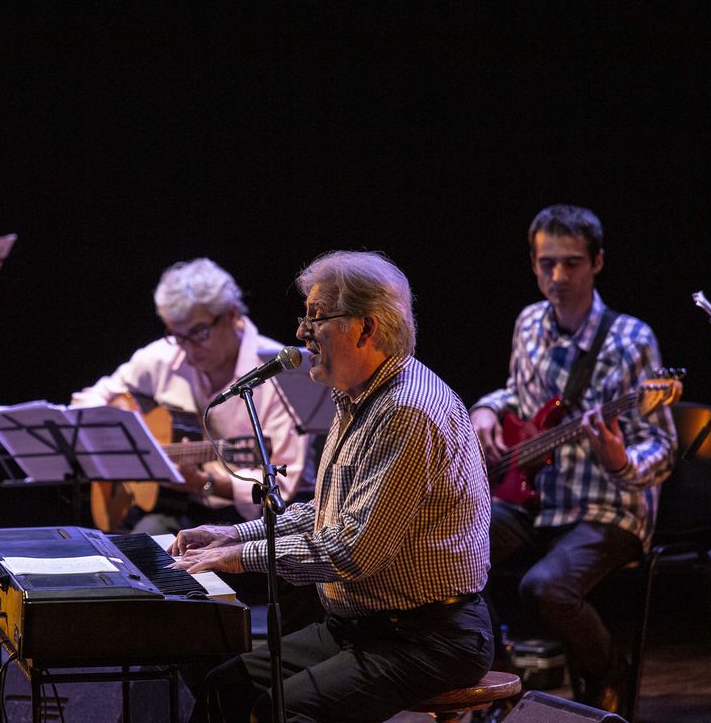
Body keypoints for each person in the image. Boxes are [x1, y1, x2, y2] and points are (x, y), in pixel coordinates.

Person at [172, 250, 493, 723]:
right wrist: (230, 535)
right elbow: (326, 513)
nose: (302, 332)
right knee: (227, 687)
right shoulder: (358, 396)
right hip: (364, 628)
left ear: (365, 328)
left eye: (316, 317)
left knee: (277, 711)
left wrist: (238, 557)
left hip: (430, 638)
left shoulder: (406, 412)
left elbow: (351, 552)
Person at [470, 204, 676, 713]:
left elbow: (662, 444)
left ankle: (609, 674)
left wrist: (622, 460)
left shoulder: (631, 340)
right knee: (453, 553)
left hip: (607, 506)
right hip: (538, 499)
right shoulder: (528, 323)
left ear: (597, 262)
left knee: (544, 588)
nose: (558, 276)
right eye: (547, 264)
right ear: (534, 263)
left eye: (572, 263)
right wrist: (488, 408)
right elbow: (519, 395)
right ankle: (504, 682)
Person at [72, 257, 311, 533]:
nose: (187, 348)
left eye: (199, 332)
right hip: (180, 510)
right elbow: (85, 402)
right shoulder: (164, 356)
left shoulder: (279, 373)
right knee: (138, 539)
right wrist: (126, 426)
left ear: (231, 315)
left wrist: (204, 483)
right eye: (177, 335)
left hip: (259, 520)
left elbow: (285, 481)